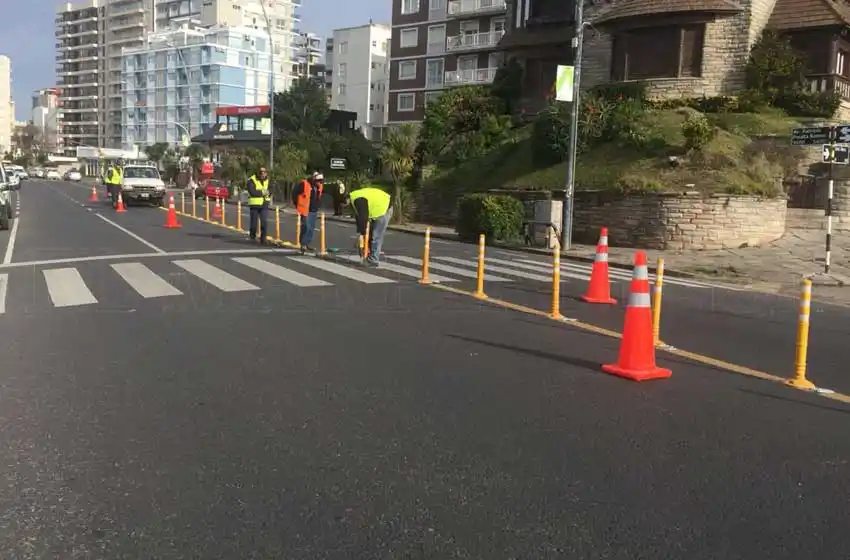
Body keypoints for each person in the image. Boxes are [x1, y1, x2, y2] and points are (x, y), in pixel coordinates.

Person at [346, 186, 392, 267]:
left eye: (343, 205)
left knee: (376, 236)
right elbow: (359, 217)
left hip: (383, 208)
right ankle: (368, 254)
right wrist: (361, 233)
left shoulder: (358, 200)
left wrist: (361, 234)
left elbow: (363, 217)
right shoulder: (355, 197)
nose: (344, 207)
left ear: (346, 200)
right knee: (370, 235)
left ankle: (373, 260)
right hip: (379, 206)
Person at [295, 171, 324, 253]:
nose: (319, 183)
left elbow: (318, 196)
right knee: (306, 226)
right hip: (305, 209)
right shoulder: (304, 184)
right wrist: (296, 204)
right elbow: (295, 193)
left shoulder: (319, 186)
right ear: (314, 179)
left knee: (311, 228)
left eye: (320, 181)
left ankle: (307, 243)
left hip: (314, 210)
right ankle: (303, 244)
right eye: (318, 181)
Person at [246, 166, 271, 244]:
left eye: (264, 172)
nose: (262, 174)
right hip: (255, 204)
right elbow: (252, 192)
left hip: (264, 204)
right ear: (257, 172)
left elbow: (271, 189)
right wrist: (263, 192)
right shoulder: (251, 180)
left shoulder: (268, 180)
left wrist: (269, 193)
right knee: (254, 223)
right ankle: (252, 237)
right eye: (261, 172)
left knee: (264, 222)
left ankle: (263, 239)